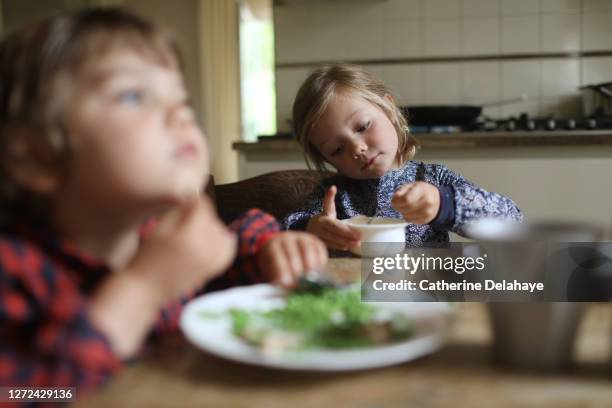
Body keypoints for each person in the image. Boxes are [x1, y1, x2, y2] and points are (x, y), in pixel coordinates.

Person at [0, 8, 327, 393]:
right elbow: (29, 393)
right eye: (134, 95)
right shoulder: (14, 269)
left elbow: (223, 256)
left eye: (183, 102)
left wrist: (268, 248)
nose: (180, 115)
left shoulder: (151, 237)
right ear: (37, 157)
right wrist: (144, 286)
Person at [283, 64, 522, 250]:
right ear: (327, 159)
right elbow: (284, 230)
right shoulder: (333, 196)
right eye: (336, 149)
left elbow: (512, 221)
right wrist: (311, 227)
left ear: (389, 110)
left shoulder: (432, 179)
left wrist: (444, 204)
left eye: (363, 126)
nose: (357, 149)